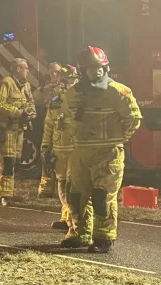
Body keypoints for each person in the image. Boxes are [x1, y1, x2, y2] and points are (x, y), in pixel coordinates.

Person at [60, 46, 142, 253]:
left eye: (100, 67)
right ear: (82, 70)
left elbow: (133, 119)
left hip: (108, 154)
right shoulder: (72, 93)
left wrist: (117, 140)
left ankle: (104, 237)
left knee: (102, 196)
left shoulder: (118, 92)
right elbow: (67, 119)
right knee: (76, 195)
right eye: (91, 68)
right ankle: (80, 233)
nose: (97, 71)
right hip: (80, 152)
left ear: (106, 68)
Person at [0, 58, 36, 206]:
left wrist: (31, 111)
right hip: (7, 129)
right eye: (25, 68)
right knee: (7, 161)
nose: (27, 70)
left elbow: (30, 101)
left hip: (19, 129)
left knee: (15, 161)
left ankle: (9, 192)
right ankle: (4, 195)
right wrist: (19, 112)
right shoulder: (5, 83)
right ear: (17, 69)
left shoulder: (26, 85)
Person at [41, 65, 79, 231]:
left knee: (73, 187)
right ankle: (66, 217)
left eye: (74, 81)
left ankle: (73, 220)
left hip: (75, 151)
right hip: (59, 151)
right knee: (61, 184)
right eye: (68, 81)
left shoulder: (81, 101)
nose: (71, 84)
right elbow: (49, 126)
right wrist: (45, 148)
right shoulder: (55, 103)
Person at [35, 62, 65, 198]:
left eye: (57, 72)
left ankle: (62, 187)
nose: (55, 74)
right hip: (49, 122)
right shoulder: (46, 87)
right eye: (52, 71)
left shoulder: (65, 86)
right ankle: (46, 188)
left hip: (62, 125)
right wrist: (43, 90)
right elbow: (34, 98)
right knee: (46, 154)